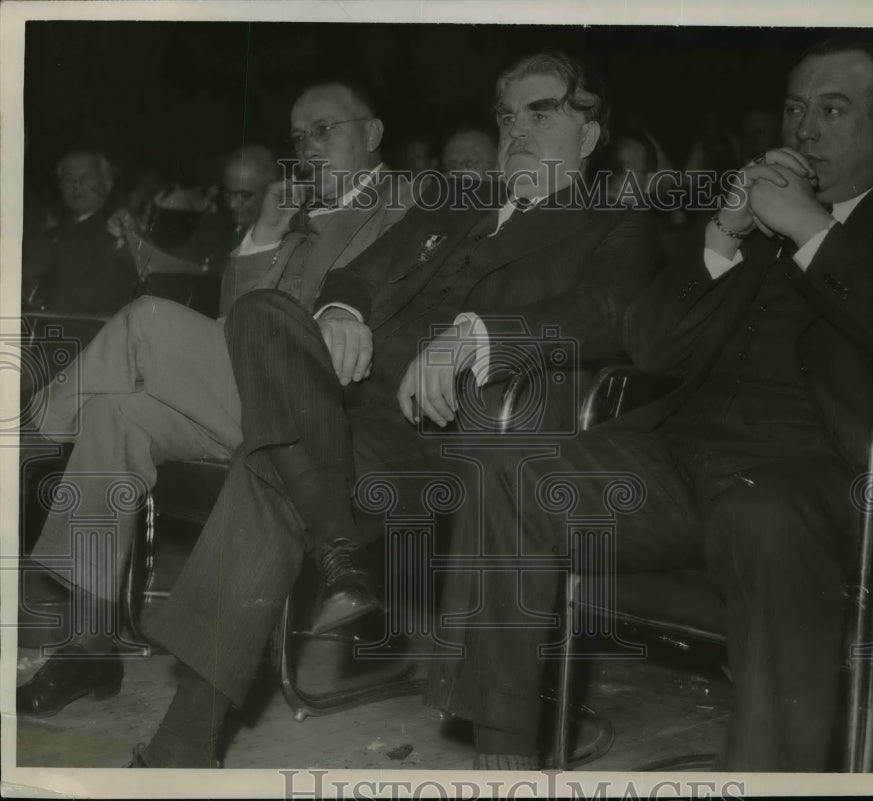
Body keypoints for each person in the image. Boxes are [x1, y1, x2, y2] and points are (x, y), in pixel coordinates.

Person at [424, 37, 873, 771]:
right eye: (795, 109)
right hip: (682, 457)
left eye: (832, 110)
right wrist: (723, 233)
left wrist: (811, 229)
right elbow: (651, 345)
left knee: (760, 515)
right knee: (514, 471)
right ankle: (503, 752)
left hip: (821, 473)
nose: (804, 130)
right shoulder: (753, 224)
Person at [125, 50, 658, 768]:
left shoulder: (610, 225)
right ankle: (340, 550)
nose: (516, 131)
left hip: (472, 432)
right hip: (362, 413)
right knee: (262, 313)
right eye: (507, 116)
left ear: (589, 137)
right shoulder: (453, 207)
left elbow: (607, 312)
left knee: (274, 461)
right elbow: (355, 272)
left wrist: (477, 335)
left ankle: (183, 743)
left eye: (542, 112)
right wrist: (343, 308)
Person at [17, 81, 413, 719]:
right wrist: (261, 236)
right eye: (297, 136)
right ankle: (89, 644)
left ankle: (22, 446)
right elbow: (236, 321)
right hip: (245, 396)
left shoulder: (409, 205)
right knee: (113, 414)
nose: (307, 146)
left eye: (325, 129)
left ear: (372, 134)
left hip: (321, 414)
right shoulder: (301, 209)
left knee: (146, 318)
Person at [106, 145, 279, 283]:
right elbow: (173, 263)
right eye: (227, 193)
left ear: (272, 190)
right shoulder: (215, 224)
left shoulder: (285, 235)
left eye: (244, 195)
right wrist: (133, 232)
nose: (233, 205)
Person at [28, 149, 138, 315]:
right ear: (59, 186)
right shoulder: (53, 231)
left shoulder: (119, 229)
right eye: (68, 178)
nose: (76, 185)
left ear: (107, 184)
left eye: (86, 177)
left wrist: (127, 237)